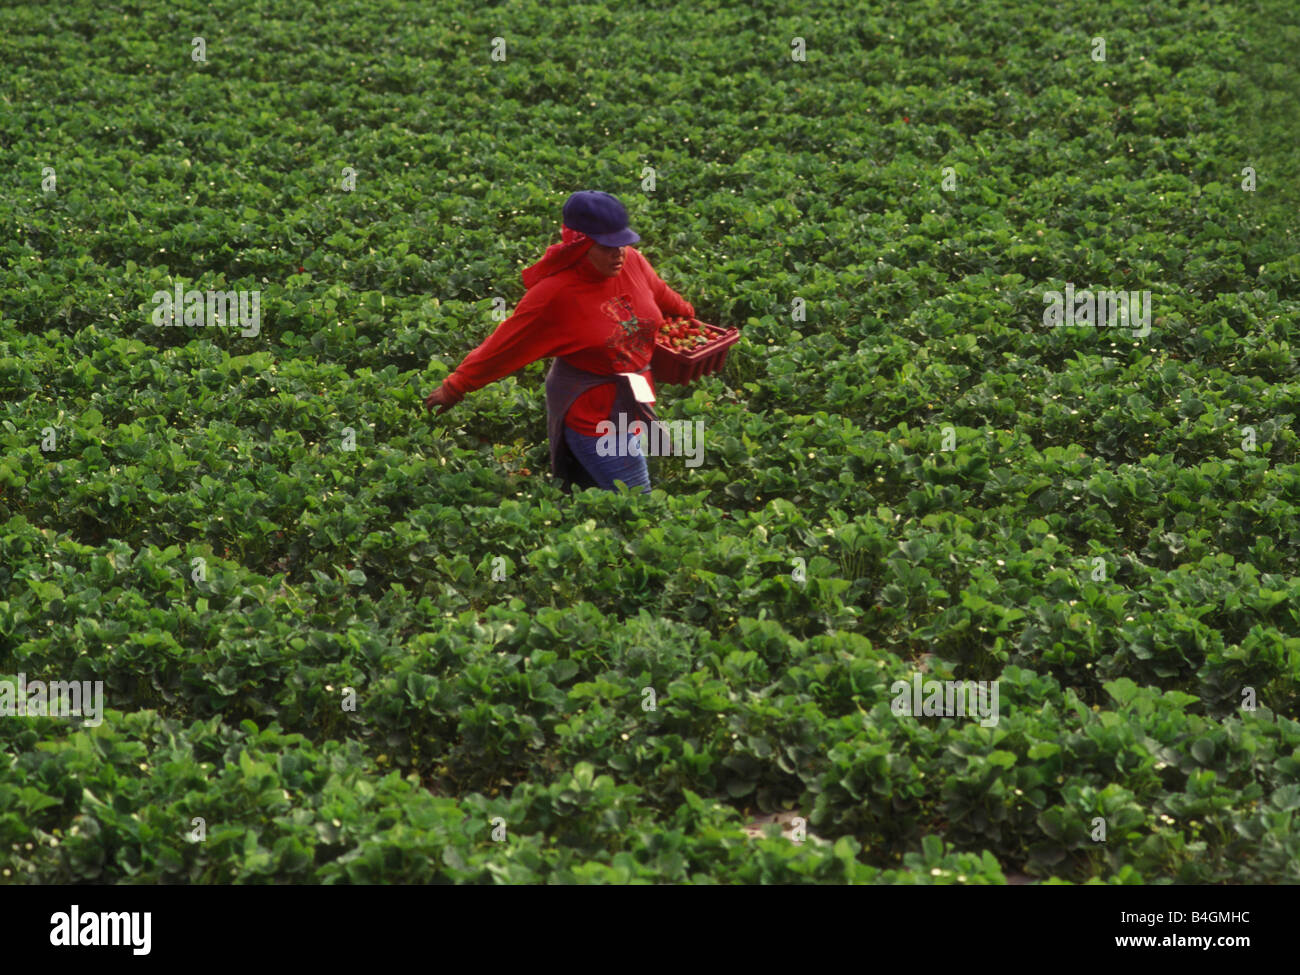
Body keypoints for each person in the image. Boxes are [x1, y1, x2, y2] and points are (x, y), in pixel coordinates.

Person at [424, 190, 696, 494]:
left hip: (632, 401)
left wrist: (689, 320)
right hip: (593, 416)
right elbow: (502, 348)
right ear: (580, 245)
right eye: (606, 245)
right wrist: (455, 386)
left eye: (622, 242)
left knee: (598, 497)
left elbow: (661, 294)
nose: (618, 253)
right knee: (639, 501)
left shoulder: (632, 262)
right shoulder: (554, 295)